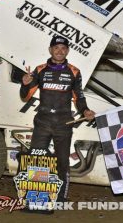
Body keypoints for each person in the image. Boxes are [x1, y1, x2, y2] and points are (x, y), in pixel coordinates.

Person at [20, 35, 95, 202]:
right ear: (50, 50)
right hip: (42, 123)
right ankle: (36, 196)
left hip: (64, 124)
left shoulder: (74, 72)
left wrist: (86, 111)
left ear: (67, 51)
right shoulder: (39, 70)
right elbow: (25, 96)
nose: (60, 51)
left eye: (63, 48)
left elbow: (79, 98)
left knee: (62, 162)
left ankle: (61, 197)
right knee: (37, 159)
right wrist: (25, 84)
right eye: (56, 48)